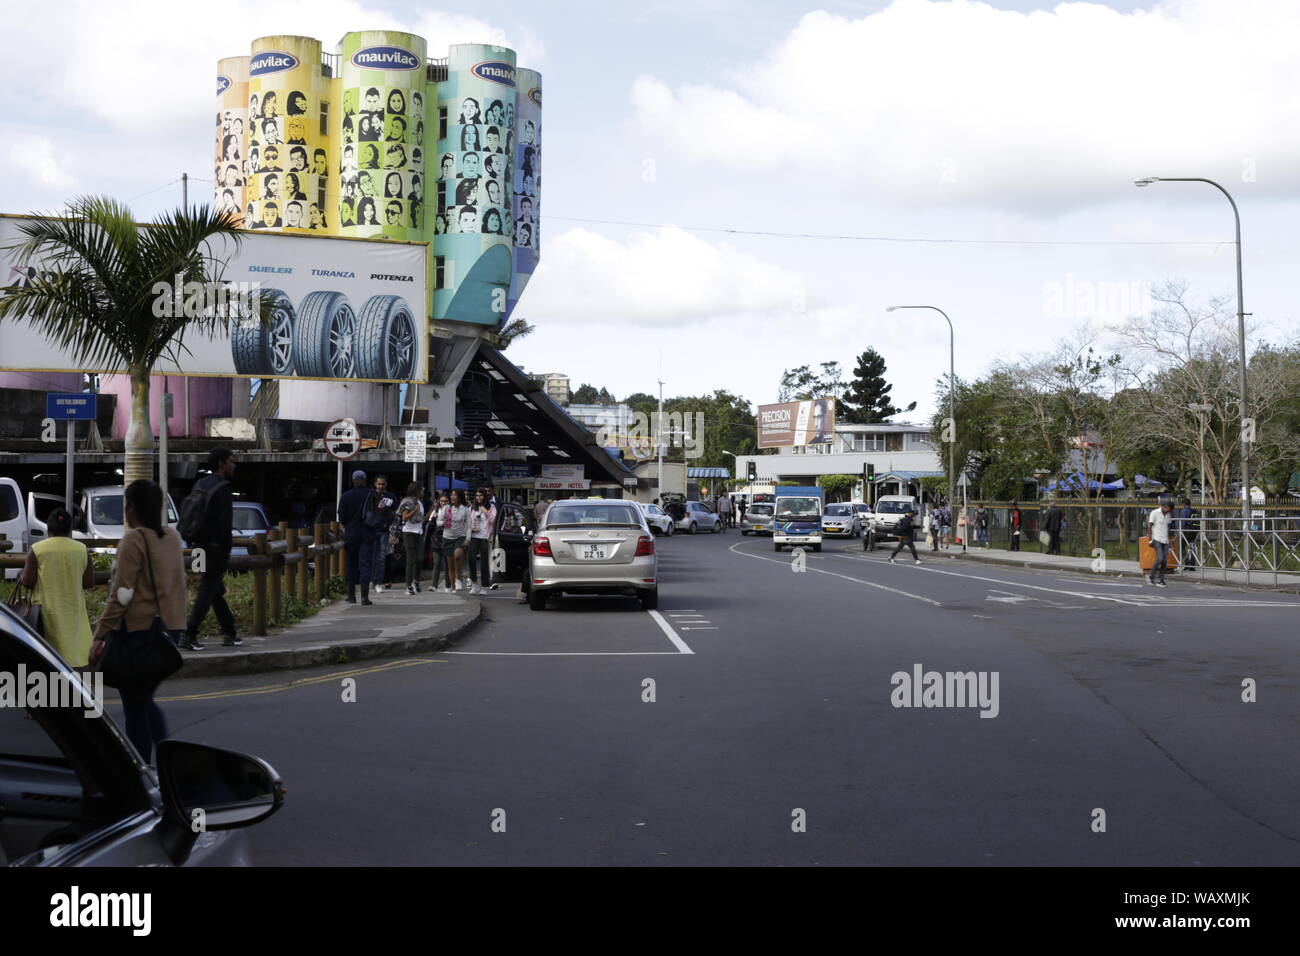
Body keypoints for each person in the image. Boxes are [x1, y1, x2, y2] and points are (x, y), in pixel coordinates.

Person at [90, 480, 186, 765]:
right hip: (168, 630)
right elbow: (179, 584)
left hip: (137, 631)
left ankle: (142, 773)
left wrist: (100, 634)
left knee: (135, 706)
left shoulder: (133, 540)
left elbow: (121, 594)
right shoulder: (171, 536)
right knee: (143, 700)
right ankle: (169, 761)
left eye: (126, 505)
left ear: (131, 506)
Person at [20, 507, 94, 666]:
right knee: (72, 660)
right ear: (69, 529)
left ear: (48, 528)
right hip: (73, 612)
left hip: (46, 614)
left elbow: (27, 582)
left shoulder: (37, 550)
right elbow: (88, 583)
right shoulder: (82, 550)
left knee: (49, 660)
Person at [181, 447, 239, 649]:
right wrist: (226, 550)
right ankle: (189, 633)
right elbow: (224, 524)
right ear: (222, 464)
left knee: (213, 588)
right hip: (215, 548)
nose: (234, 465)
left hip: (197, 546)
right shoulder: (223, 488)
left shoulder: (200, 484)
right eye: (231, 461)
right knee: (208, 589)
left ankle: (230, 632)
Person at [337, 469, 378, 604]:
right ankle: (365, 597)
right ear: (365, 480)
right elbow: (379, 514)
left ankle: (351, 596)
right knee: (365, 564)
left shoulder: (346, 496)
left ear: (353, 480)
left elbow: (342, 517)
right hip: (367, 532)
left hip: (352, 533)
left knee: (351, 563)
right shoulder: (372, 494)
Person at [467, 488, 497, 595]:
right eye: (477, 496)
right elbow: (468, 522)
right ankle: (474, 584)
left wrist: (486, 512)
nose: (478, 498)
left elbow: (494, 520)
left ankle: (484, 586)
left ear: (484, 496)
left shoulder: (491, 507)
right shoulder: (472, 508)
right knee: (471, 559)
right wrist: (471, 529)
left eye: (480, 495)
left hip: (485, 537)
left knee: (484, 562)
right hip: (474, 536)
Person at [369, 475, 396, 592]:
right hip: (371, 530)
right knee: (371, 556)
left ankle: (378, 582)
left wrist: (393, 527)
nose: (381, 486)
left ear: (386, 484)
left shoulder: (391, 496)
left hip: (384, 530)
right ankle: (371, 579)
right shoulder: (370, 495)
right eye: (379, 484)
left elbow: (395, 512)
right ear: (375, 484)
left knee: (381, 557)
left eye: (383, 484)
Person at [399, 482, 425, 595]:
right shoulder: (407, 501)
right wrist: (415, 510)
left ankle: (416, 581)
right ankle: (408, 586)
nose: (423, 491)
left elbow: (422, 519)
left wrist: (433, 509)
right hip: (409, 532)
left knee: (419, 558)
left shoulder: (419, 502)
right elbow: (404, 517)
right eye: (421, 489)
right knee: (411, 559)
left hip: (418, 532)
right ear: (417, 490)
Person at [442, 490, 471, 591]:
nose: (453, 497)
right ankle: (453, 588)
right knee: (450, 565)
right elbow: (438, 522)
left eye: (455, 495)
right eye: (452, 495)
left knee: (457, 555)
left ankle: (458, 579)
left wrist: (468, 539)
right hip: (447, 536)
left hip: (460, 536)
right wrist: (443, 521)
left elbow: (469, 526)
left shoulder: (466, 510)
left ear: (460, 497)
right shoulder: (447, 508)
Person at [1147, 499, 1173, 587]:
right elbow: (1150, 526)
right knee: (1160, 559)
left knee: (1164, 561)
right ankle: (1151, 576)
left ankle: (1161, 580)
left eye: (1169, 510)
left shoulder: (1168, 514)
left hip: (1165, 540)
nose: (1168, 511)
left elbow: (1168, 528)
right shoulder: (1154, 513)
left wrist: (1170, 541)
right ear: (1163, 507)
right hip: (1156, 539)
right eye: (1168, 509)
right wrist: (1149, 539)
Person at [1173, 496, 1198, 570]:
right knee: (1192, 547)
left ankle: (1187, 564)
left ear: (1184, 504)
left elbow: (1183, 522)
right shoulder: (1193, 510)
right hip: (1194, 531)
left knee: (1181, 546)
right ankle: (1192, 565)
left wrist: (1181, 531)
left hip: (1187, 531)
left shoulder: (1184, 511)